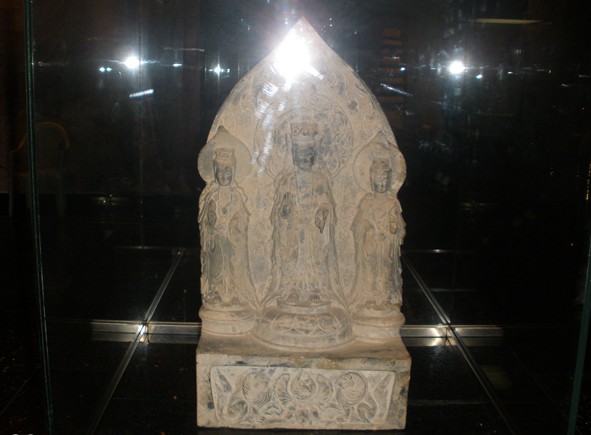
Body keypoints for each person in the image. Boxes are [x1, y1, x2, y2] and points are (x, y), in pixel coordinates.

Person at [199, 147, 255, 309]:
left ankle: (235, 292)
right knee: (216, 265)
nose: (224, 176)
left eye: (228, 171)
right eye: (220, 171)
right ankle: (216, 291)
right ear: (214, 172)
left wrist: (235, 223)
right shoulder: (211, 196)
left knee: (234, 263)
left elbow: (243, 216)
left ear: (234, 171)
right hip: (216, 241)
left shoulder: (237, 195)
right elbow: (205, 219)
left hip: (232, 240)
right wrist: (211, 221)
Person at [351, 157, 405, 310]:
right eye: (378, 179)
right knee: (370, 271)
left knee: (386, 270)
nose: (381, 184)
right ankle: (370, 296)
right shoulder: (367, 201)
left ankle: (385, 297)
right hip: (370, 245)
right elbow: (358, 224)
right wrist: (369, 229)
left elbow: (398, 223)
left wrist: (393, 228)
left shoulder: (392, 202)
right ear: (371, 179)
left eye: (384, 180)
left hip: (386, 245)